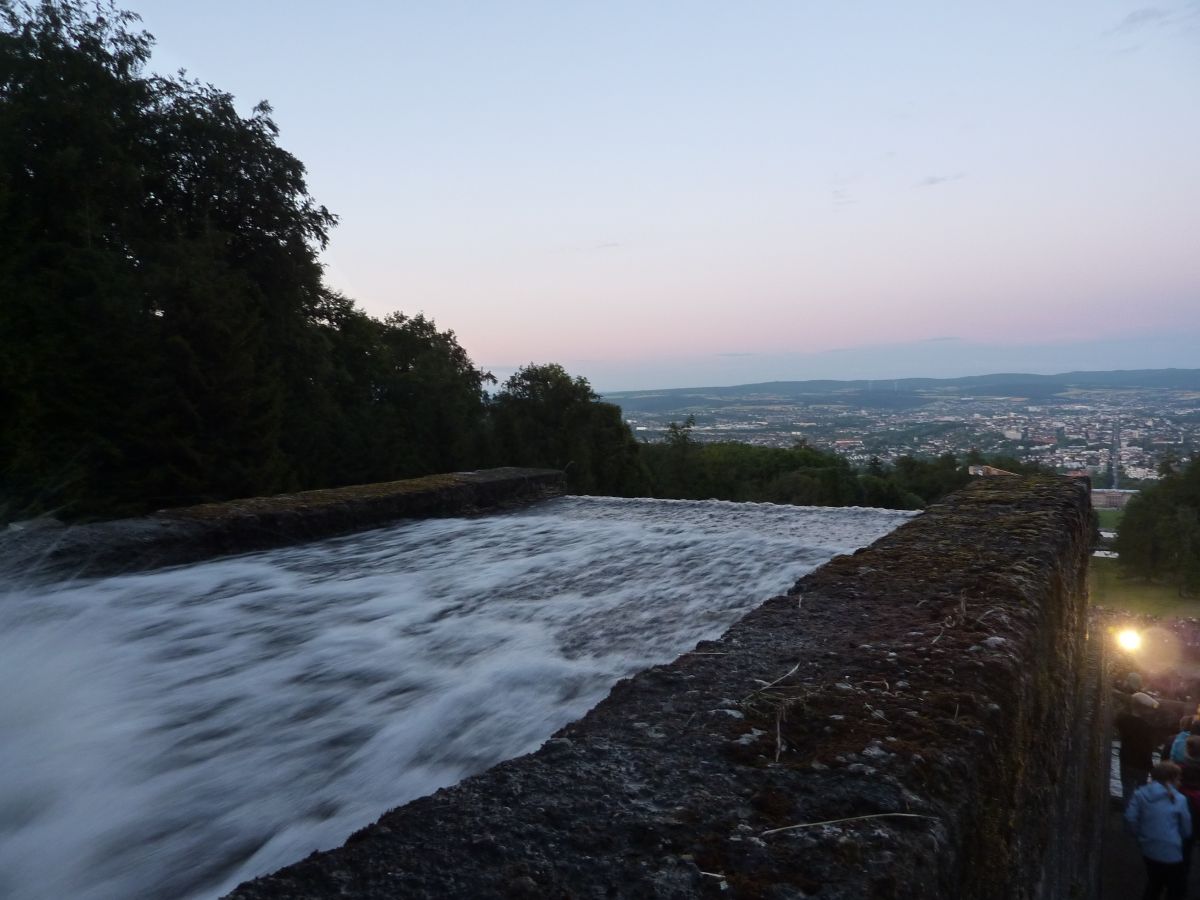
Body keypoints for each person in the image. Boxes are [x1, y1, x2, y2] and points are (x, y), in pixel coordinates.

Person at [1126, 761, 1191, 900]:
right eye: (1179, 779)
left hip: (1148, 848)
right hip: (1171, 851)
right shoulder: (1179, 799)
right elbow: (1186, 828)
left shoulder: (1140, 793)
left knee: (1155, 882)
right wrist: (1181, 837)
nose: (1180, 782)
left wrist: (1140, 835)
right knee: (1176, 889)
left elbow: (1130, 818)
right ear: (1172, 779)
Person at [1118, 692, 1165, 806]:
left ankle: (1127, 816)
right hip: (1142, 765)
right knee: (1141, 793)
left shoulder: (1123, 720)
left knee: (1127, 790)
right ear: (1144, 709)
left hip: (1125, 760)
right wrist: (1150, 767)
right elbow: (1147, 749)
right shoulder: (1147, 727)